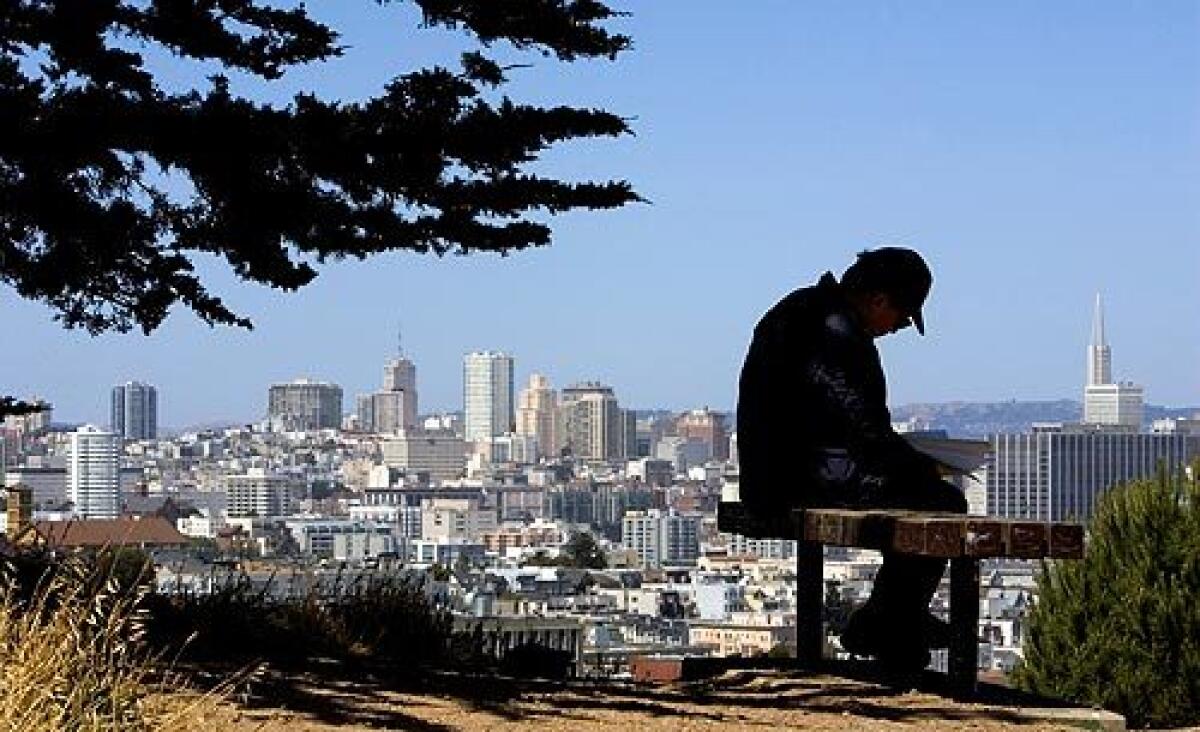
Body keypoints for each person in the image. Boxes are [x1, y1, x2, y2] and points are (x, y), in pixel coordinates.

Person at [735, 246, 967, 671]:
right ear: (878, 300)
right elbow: (862, 426)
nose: (896, 328)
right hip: (803, 477)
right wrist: (921, 463)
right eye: (900, 317)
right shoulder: (835, 331)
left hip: (776, 473)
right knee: (945, 504)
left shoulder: (801, 310)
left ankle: (892, 619)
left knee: (926, 498)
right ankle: (888, 621)